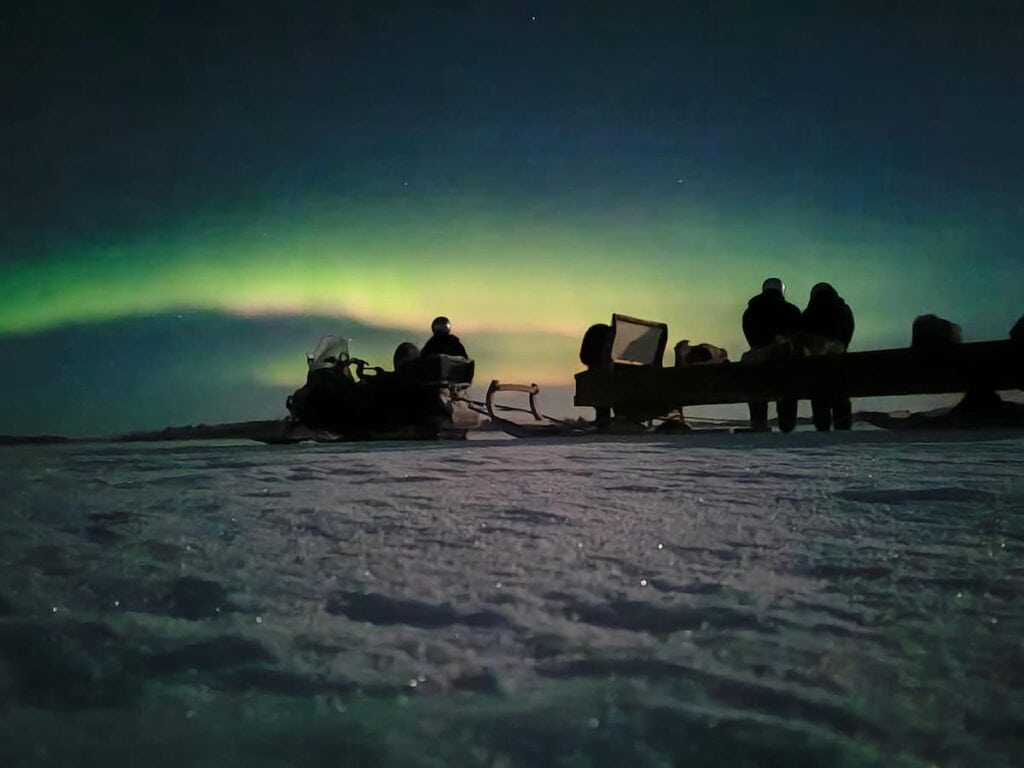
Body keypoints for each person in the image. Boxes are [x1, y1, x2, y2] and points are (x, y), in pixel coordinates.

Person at [742, 277, 801, 431]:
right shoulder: (792, 310)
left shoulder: (750, 312)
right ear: (781, 290)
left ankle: (758, 422)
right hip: (785, 363)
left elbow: (751, 336)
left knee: (756, 387)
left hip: (758, 360)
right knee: (787, 388)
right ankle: (787, 424)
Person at [800, 282, 855, 431]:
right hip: (840, 365)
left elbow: (804, 338)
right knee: (840, 395)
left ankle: (822, 426)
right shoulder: (843, 310)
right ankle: (843, 426)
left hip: (817, 368)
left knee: (819, 396)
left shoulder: (808, 314)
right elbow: (847, 333)